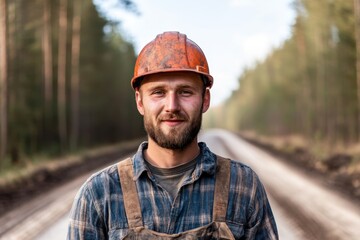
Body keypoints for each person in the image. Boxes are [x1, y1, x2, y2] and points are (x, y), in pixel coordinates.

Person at [67, 31, 278, 239]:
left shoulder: (243, 186)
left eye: (185, 92)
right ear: (140, 101)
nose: (172, 106)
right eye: (158, 92)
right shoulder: (99, 194)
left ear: (205, 99)